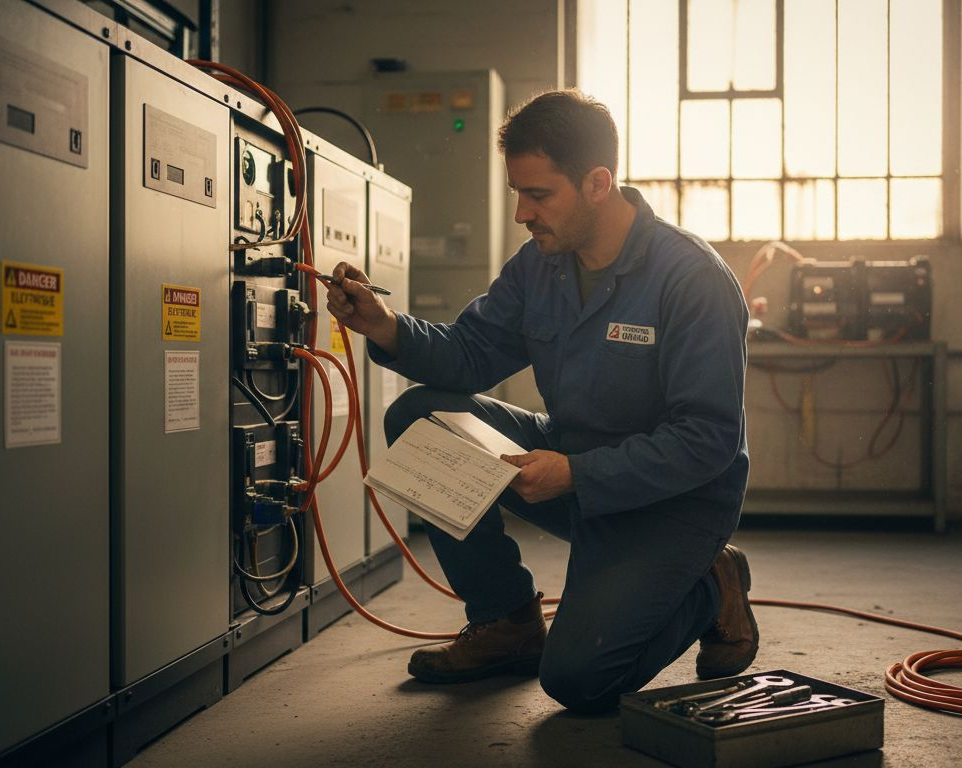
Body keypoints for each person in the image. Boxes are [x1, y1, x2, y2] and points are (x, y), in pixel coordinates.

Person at [322, 89, 755, 714]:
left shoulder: (692, 281)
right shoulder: (539, 267)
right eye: (517, 193)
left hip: (673, 504)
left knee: (578, 681)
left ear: (599, 183)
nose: (523, 212)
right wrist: (384, 324)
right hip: (572, 466)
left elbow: (709, 440)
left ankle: (712, 583)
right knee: (420, 417)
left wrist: (576, 473)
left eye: (540, 195)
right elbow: (470, 353)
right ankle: (508, 621)